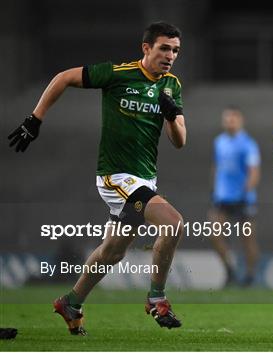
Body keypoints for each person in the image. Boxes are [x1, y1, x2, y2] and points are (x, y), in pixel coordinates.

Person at [8, 22, 187, 335]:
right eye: (164, 48)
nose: (170, 55)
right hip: (116, 176)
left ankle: (71, 301)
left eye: (175, 50)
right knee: (173, 223)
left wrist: (171, 115)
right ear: (146, 48)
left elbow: (180, 140)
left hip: (145, 180)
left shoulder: (171, 85)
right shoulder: (118, 74)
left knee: (113, 251)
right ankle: (156, 298)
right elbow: (63, 77)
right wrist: (35, 119)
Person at [208, 107, 260, 286]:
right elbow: (217, 166)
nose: (230, 122)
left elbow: (254, 171)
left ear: (240, 121)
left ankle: (250, 275)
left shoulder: (247, 143)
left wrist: (247, 191)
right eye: (227, 119)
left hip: (243, 197)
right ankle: (230, 269)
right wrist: (215, 189)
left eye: (233, 119)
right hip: (222, 197)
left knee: (247, 239)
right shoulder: (219, 142)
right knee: (214, 234)